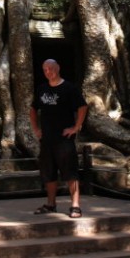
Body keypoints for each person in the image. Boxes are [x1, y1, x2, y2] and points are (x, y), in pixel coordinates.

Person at [30, 59, 88, 218]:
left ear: (58, 68)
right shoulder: (41, 89)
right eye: (45, 69)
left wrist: (76, 127)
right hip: (47, 138)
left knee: (70, 171)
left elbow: (82, 106)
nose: (48, 71)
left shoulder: (69, 88)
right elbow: (33, 109)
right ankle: (51, 204)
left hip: (64, 138)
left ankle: (75, 205)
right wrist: (36, 129)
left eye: (51, 68)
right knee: (48, 173)